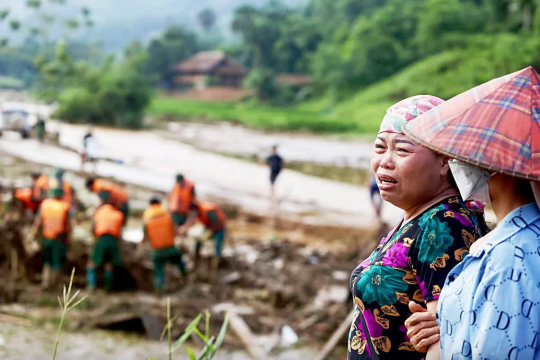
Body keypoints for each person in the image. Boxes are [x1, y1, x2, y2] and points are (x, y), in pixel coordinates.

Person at [347, 95, 487, 360]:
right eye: (379, 147)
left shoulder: (443, 224)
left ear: (445, 160)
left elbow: (442, 341)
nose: (385, 161)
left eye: (402, 150)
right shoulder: (418, 216)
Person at [142, 197, 187, 293]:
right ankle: (185, 278)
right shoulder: (166, 214)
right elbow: (176, 230)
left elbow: (145, 236)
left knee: (158, 270)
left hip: (157, 250)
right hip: (170, 247)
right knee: (179, 262)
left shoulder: (147, 216)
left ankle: (159, 288)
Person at [30, 187, 71, 289]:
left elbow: (38, 222)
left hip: (47, 237)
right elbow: (68, 226)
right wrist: (69, 240)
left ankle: (46, 283)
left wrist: (33, 235)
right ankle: (54, 284)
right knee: (57, 261)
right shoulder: (64, 206)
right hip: (60, 238)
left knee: (48, 260)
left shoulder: (45, 204)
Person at [86, 191, 125, 292]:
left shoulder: (99, 212)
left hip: (102, 238)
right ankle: (107, 289)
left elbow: (93, 229)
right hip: (113, 240)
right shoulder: (118, 214)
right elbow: (120, 232)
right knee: (109, 265)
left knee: (91, 264)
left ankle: (91, 287)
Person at [181, 201, 227, 274]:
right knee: (199, 241)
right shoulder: (197, 213)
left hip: (218, 228)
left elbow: (216, 222)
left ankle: (215, 267)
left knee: (217, 247)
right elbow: (191, 221)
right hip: (209, 227)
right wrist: (184, 228)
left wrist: (210, 232)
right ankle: (196, 260)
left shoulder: (207, 211)